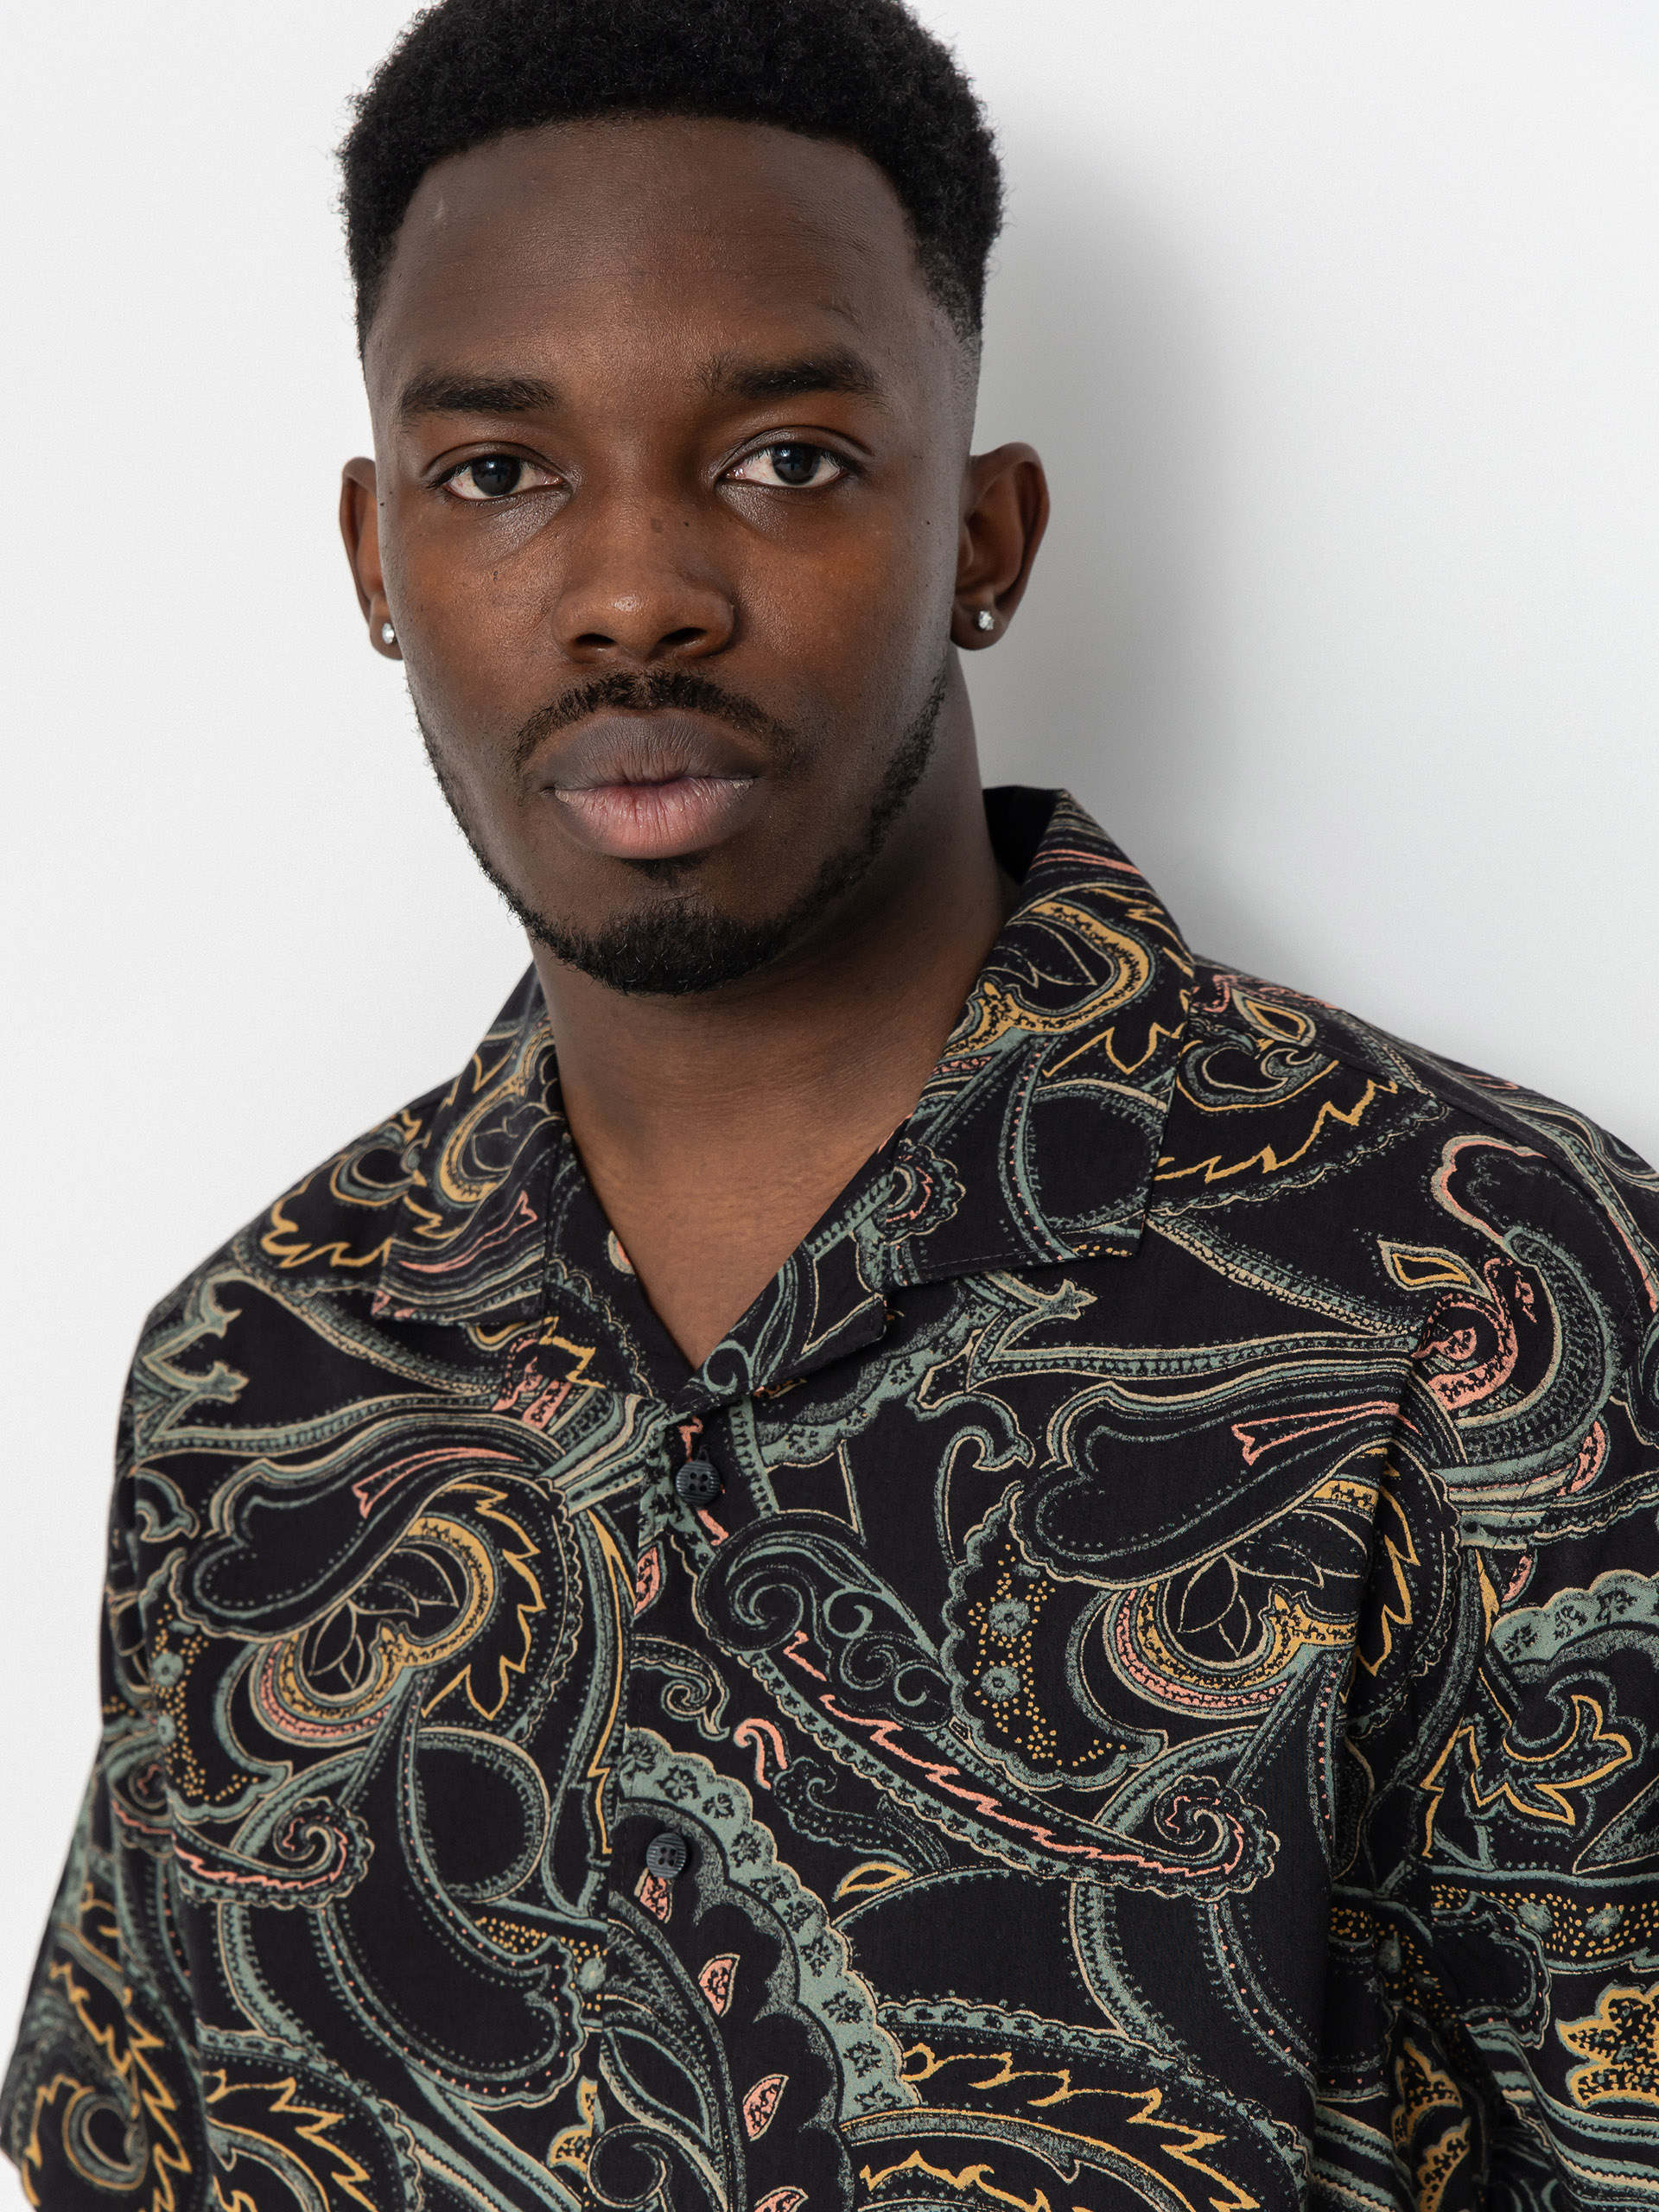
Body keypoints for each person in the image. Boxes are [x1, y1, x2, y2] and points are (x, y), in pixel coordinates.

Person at [5, 0, 1657, 2205]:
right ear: (376, 560)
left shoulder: (1487, 1294)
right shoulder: (252, 1375)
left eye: (784, 457)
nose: (633, 597)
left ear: (985, 537)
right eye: (497, 473)